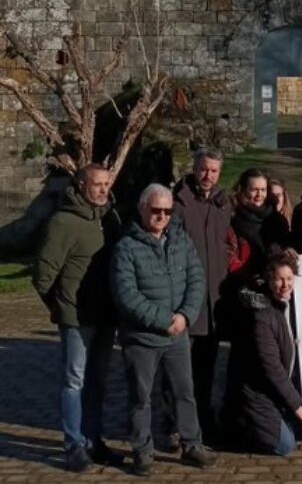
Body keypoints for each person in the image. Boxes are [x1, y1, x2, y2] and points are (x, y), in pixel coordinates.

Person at [111, 184, 216, 476]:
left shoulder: (181, 240)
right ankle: (142, 450)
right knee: (140, 397)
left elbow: (197, 277)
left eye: (167, 211)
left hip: (178, 334)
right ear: (143, 208)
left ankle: (192, 443)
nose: (162, 216)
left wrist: (185, 315)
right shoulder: (126, 247)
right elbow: (126, 295)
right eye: (156, 210)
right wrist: (163, 319)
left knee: (185, 392)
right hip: (142, 337)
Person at [32, 163, 124, 472]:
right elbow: (43, 275)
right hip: (76, 318)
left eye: (106, 185)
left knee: (98, 382)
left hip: (105, 315)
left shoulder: (110, 219)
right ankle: (73, 445)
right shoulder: (63, 223)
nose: (102, 190)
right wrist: (61, 308)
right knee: (74, 381)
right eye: (97, 184)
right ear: (81, 185)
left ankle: (92, 440)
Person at [223, 251, 302, 456]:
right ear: (269, 280)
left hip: (274, 391)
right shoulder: (262, 316)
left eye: (289, 279)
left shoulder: (288, 305)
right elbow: (272, 368)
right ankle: (239, 424)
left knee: (299, 431)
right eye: (279, 279)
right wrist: (297, 405)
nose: (285, 285)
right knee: (286, 446)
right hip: (256, 393)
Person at [171, 147, 231, 440]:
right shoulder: (178, 202)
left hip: (214, 300)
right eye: (204, 169)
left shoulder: (223, 203)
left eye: (214, 171)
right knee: (178, 370)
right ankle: (173, 424)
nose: (208, 175)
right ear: (195, 168)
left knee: (206, 368)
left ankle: (204, 419)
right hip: (185, 299)